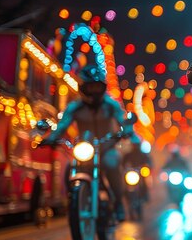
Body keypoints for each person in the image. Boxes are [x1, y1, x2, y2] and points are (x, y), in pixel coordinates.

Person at [40, 64, 134, 221]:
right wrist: (50, 138)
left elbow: (122, 120)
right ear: (82, 88)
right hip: (85, 146)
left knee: (112, 163)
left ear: (103, 87)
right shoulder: (74, 107)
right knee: (70, 168)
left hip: (107, 147)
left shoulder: (111, 105)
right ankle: (75, 200)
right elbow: (62, 125)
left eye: (97, 87)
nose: (94, 91)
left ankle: (118, 203)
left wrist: (126, 130)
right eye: (90, 87)